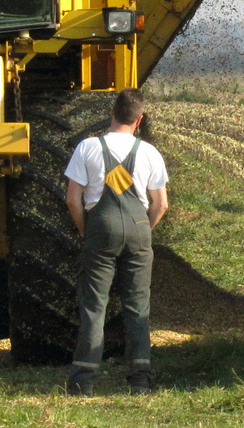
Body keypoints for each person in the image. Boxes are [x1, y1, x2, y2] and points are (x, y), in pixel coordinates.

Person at [63, 88, 169, 396]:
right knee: (137, 305)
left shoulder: (88, 147)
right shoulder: (149, 152)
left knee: (95, 305)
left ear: (112, 113)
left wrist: (87, 231)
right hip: (138, 231)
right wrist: (143, 230)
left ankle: (82, 380)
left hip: (101, 229)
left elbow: (73, 199)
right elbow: (160, 204)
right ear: (140, 119)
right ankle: (140, 379)